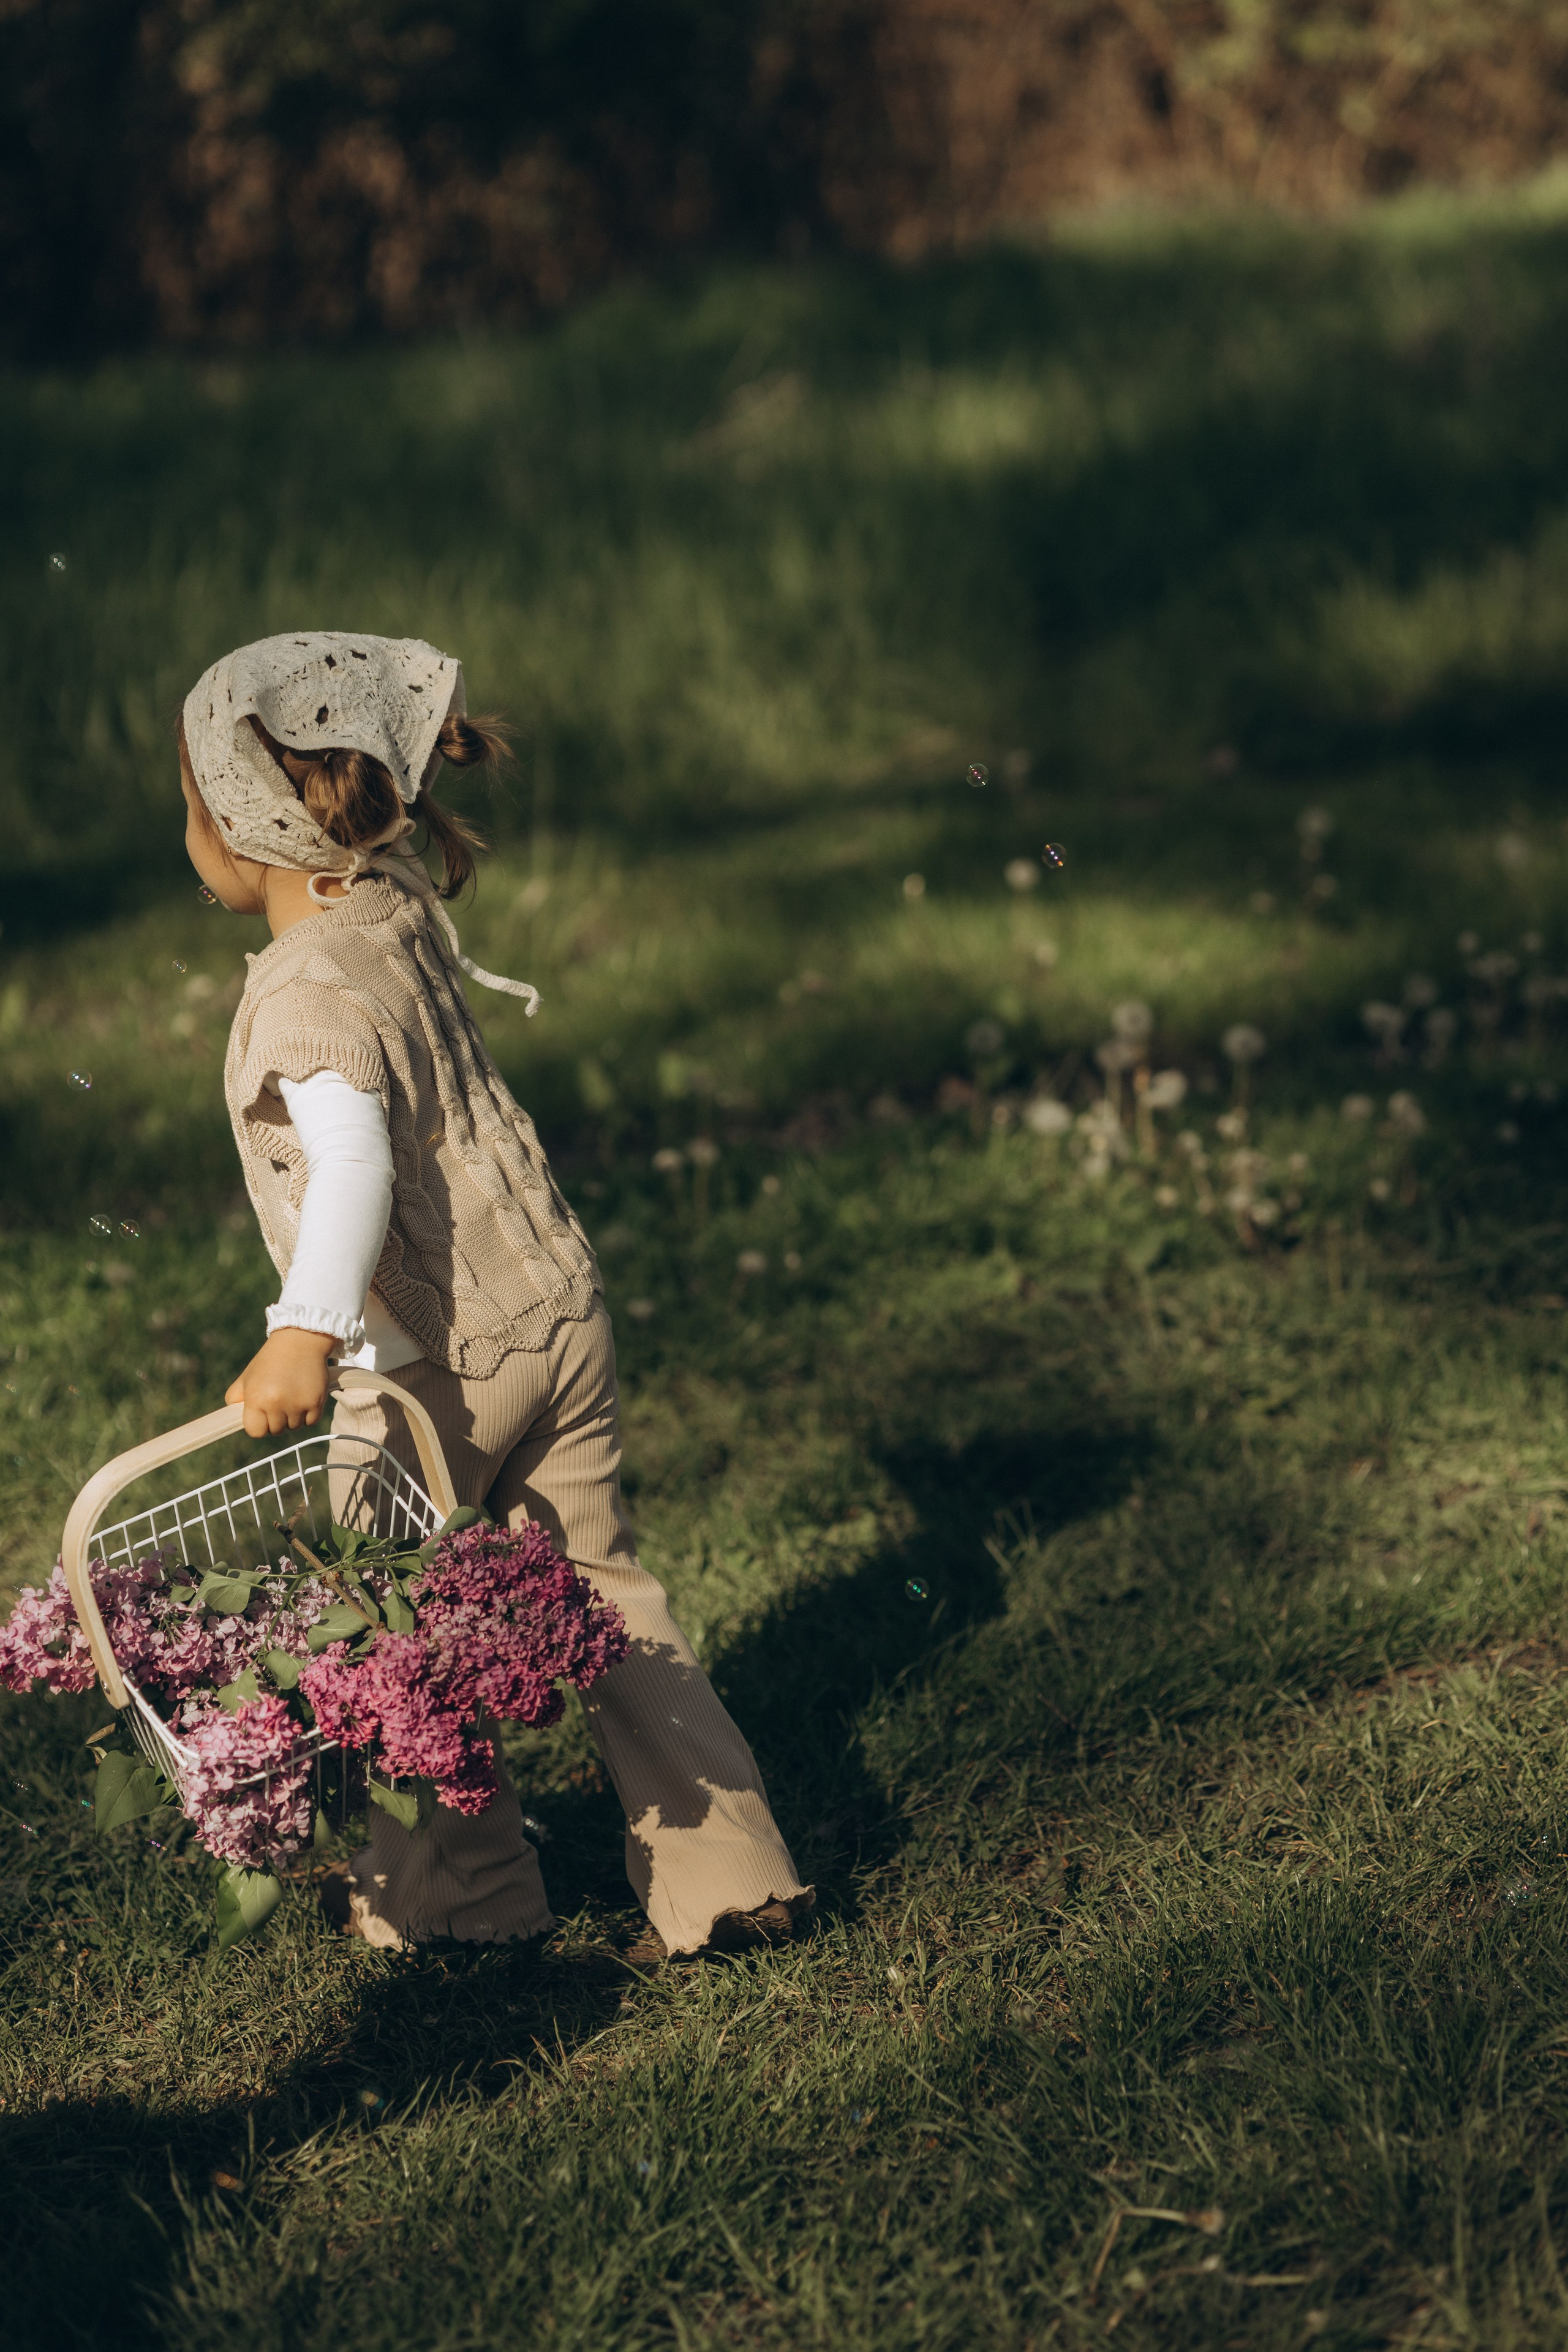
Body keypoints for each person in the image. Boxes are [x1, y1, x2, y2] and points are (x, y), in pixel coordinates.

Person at [178, 630, 812, 1956]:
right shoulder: (389, 897)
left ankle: (459, 1909)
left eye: (188, 809)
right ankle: (729, 1877)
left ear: (240, 825)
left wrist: (303, 1330)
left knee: (382, 1629)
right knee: (603, 1591)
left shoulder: (301, 997)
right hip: (556, 1311)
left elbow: (350, 1167)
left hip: (427, 1372)